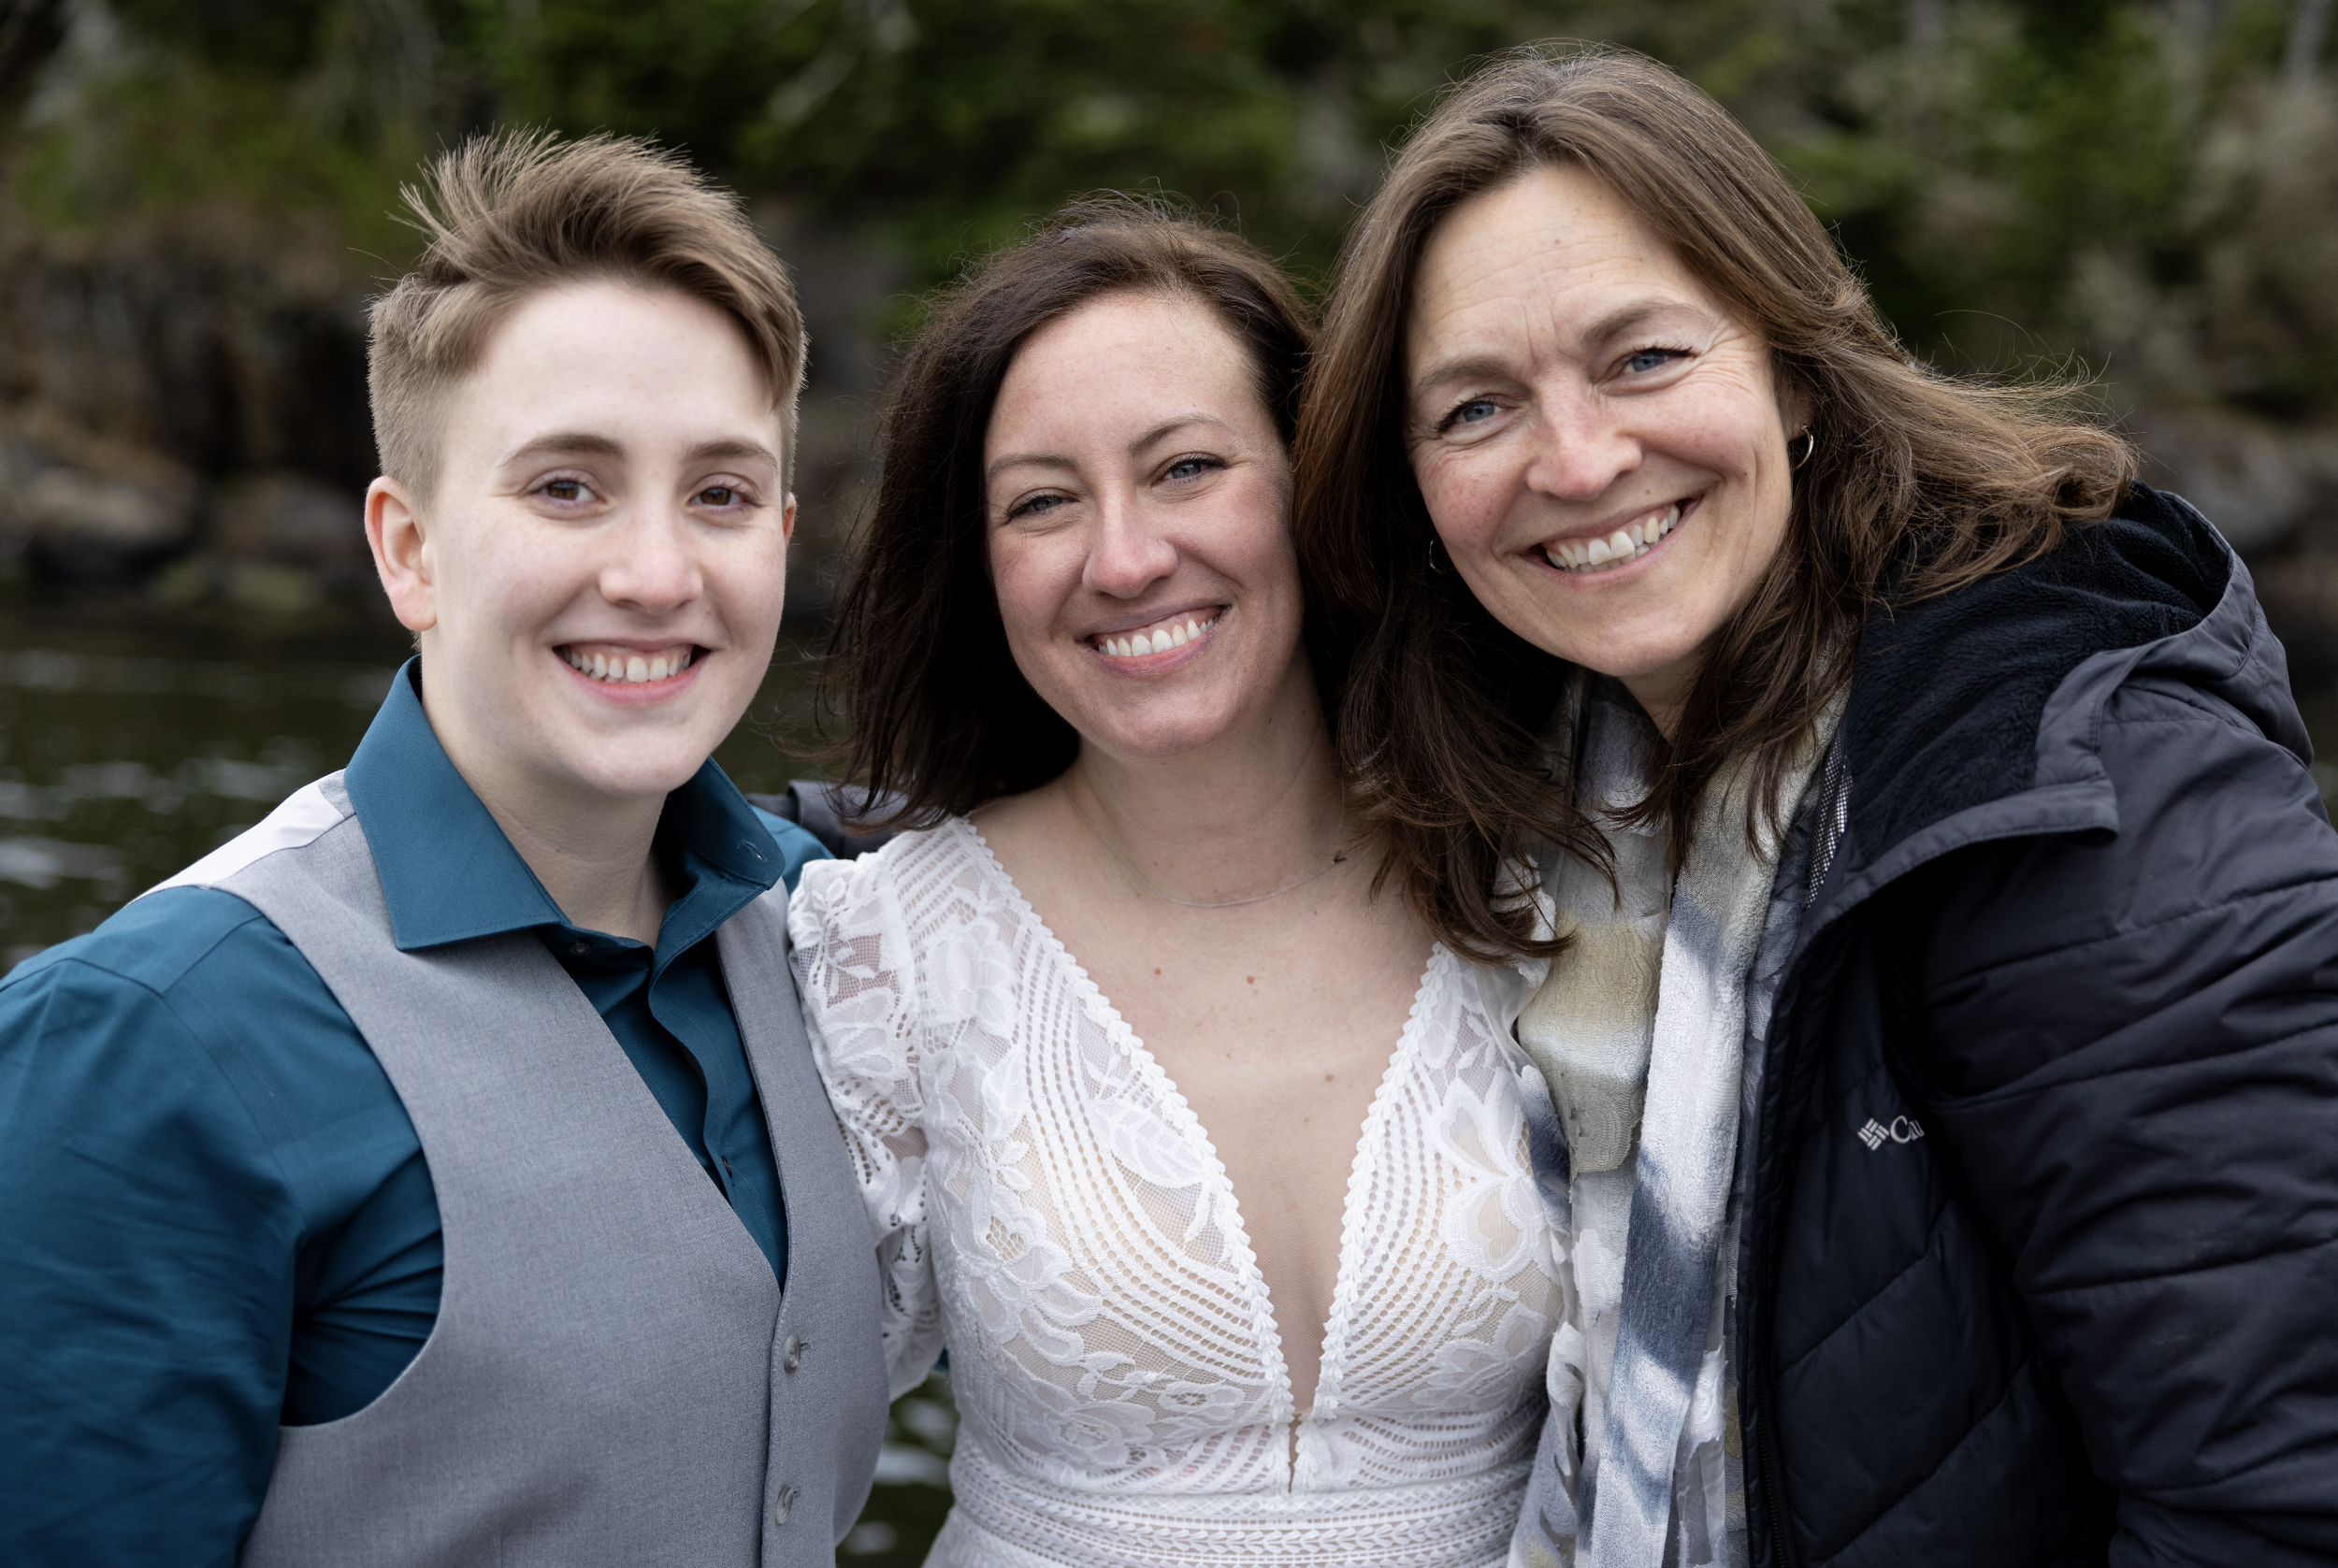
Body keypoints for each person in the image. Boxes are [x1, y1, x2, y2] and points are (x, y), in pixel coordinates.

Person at [1292, 45, 2338, 1568]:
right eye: (1475, 408)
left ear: (1792, 370)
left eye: (1644, 359)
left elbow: (2280, 1493)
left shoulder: (2080, 789)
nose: (1576, 461)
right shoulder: (1545, 804)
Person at [0, 132, 888, 1565]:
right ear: (406, 548)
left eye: (720, 495)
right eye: (566, 487)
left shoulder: (828, 930)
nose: (656, 574)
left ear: (782, 537)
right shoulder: (147, 1041)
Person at [790, 203, 1570, 1567]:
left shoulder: (1545, 886)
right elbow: (729, 1421)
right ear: (979, 564)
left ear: (1315, 485)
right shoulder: (886, 951)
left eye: (1187, 468)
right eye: (1042, 502)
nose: (1125, 558)